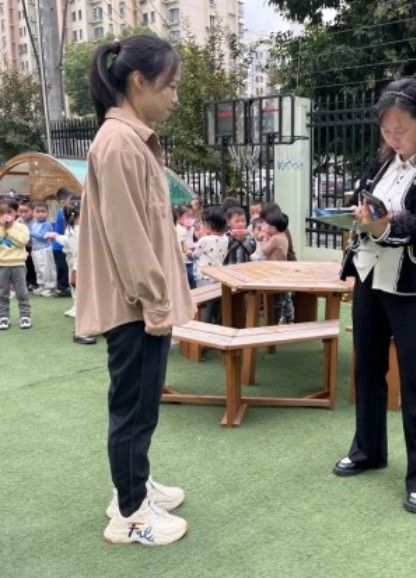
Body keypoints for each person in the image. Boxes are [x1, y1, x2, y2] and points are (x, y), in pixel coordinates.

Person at [76, 35, 195, 546]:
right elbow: (128, 237)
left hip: (136, 302)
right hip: (135, 306)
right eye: (170, 86)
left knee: (138, 405)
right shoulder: (121, 143)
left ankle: (134, 486)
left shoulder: (126, 139)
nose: (175, 97)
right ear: (139, 82)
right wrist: (156, 302)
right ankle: (130, 514)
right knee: (134, 408)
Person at [334, 78, 416, 514]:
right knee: (367, 367)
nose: (393, 138)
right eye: (386, 130)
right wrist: (357, 217)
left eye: (401, 129)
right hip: (370, 276)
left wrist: (386, 224)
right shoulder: (382, 163)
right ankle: (368, 450)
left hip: (414, 284)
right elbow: (365, 205)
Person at [46, 199, 97, 344]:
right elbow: (78, 252)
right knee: (84, 300)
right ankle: (81, 331)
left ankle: (90, 326)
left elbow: (68, 244)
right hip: (81, 269)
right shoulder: (80, 230)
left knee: (84, 299)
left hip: (79, 268)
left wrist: (56, 237)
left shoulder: (72, 229)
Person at [193, 205, 228, 323]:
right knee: (216, 306)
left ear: (207, 225)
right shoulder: (226, 239)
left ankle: (203, 326)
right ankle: (216, 325)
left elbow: (195, 255)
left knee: (204, 307)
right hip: (218, 276)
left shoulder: (205, 240)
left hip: (204, 277)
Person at [0, 197, 31, 330]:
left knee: (21, 292)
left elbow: (23, 241)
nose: (5, 215)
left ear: (15, 212)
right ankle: (3, 316)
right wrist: (3, 228)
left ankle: (25, 315)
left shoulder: (21, 227)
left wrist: (10, 230)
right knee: (2, 292)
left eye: (9, 212)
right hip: (2, 265)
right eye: (1, 213)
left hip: (18, 264)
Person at [261, 209, 294, 324]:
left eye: (266, 225)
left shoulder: (275, 239)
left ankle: (276, 319)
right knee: (286, 296)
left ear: (273, 229)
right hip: (283, 270)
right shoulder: (284, 236)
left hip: (274, 272)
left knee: (277, 298)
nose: (264, 227)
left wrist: (264, 239)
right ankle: (289, 317)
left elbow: (264, 251)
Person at [28, 200, 57, 296]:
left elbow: (43, 236)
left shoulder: (47, 224)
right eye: (37, 211)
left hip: (45, 249)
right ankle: (41, 285)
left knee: (46, 269)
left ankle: (50, 287)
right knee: (38, 268)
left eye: (43, 211)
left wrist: (30, 233)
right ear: (33, 213)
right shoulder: (34, 224)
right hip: (35, 249)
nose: (40, 214)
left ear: (47, 213)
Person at [51, 187, 75, 297]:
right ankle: (62, 287)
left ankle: (66, 286)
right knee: (63, 268)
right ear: (63, 202)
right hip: (59, 245)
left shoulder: (67, 212)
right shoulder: (63, 213)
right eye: (71, 200)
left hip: (63, 244)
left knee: (66, 267)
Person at [16, 197, 37, 291]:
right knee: (24, 265)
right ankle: (26, 282)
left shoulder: (36, 221)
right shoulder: (19, 220)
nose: (23, 214)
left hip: (34, 247)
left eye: (26, 211)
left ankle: (33, 282)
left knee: (32, 265)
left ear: (32, 211)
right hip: (23, 247)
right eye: (21, 212)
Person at [173, 204, 196, 289]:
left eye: (191, 216)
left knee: (192, 277)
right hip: (184, 258)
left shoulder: (190, 228)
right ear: (179, 217)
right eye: (187, 216)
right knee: (187, 278)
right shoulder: (177, 229)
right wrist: (187, 251)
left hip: (191, 257)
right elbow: (182, 242)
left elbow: (190, 239)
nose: (190, 219)